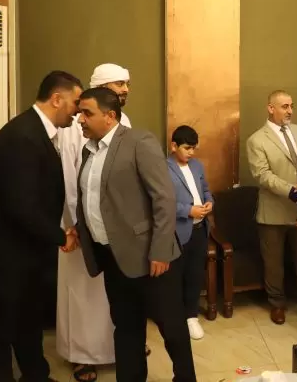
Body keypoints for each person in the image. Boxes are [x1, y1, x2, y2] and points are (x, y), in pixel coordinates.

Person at [0, 71, 83, 382]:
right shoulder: (22, 137)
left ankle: (36, 376)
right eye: (76, 102)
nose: (78, 110)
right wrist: (60, 236)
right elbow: (21, 206)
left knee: (28, 320)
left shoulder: (37, 131)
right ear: (57, 99)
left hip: (20, 251)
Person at [73, 88, 195, 382]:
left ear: (110, 116)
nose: (80, 119)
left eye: (87, 113)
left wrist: (160, 251)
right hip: (112, 257)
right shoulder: (88, 150)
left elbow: (163, 198)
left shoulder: (139, 141)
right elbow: (93, 199)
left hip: (152, 258)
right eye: (79, 112)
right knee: (126, 328)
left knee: (171, 328)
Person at [56, 63, 133, 381]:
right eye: (119, 84)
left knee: (111, 291)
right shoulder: (76, 124)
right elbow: (68, 177)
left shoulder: (124, 121)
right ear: (101, 87)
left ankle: (116, 348)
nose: (125, 89)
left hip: (112, 226)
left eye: (127, 84)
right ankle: (81, 356)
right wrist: (77, 224)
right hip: (79, 225)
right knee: (82, 291)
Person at [246, 90, 297, 326]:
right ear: (271, 108)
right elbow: (262, 175)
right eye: (284, 106)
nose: (290, 111)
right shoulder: (256, 140)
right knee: (274, 264)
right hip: (274, 212)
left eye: (291, 106)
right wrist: (292, 191)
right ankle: (277, 304)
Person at [167, 125, 214, 339]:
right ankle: (176, 317)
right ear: (174, 146)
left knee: (195, 274)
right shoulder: (163, 168)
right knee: (176, 276)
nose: (191, 153)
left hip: (200, 229)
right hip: (177, 232)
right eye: (187, 148)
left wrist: (209, 202)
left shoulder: (197, 165)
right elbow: (162, 202)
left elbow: (206, 190)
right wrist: (188, 210)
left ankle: (191, 316)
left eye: (194, 148)